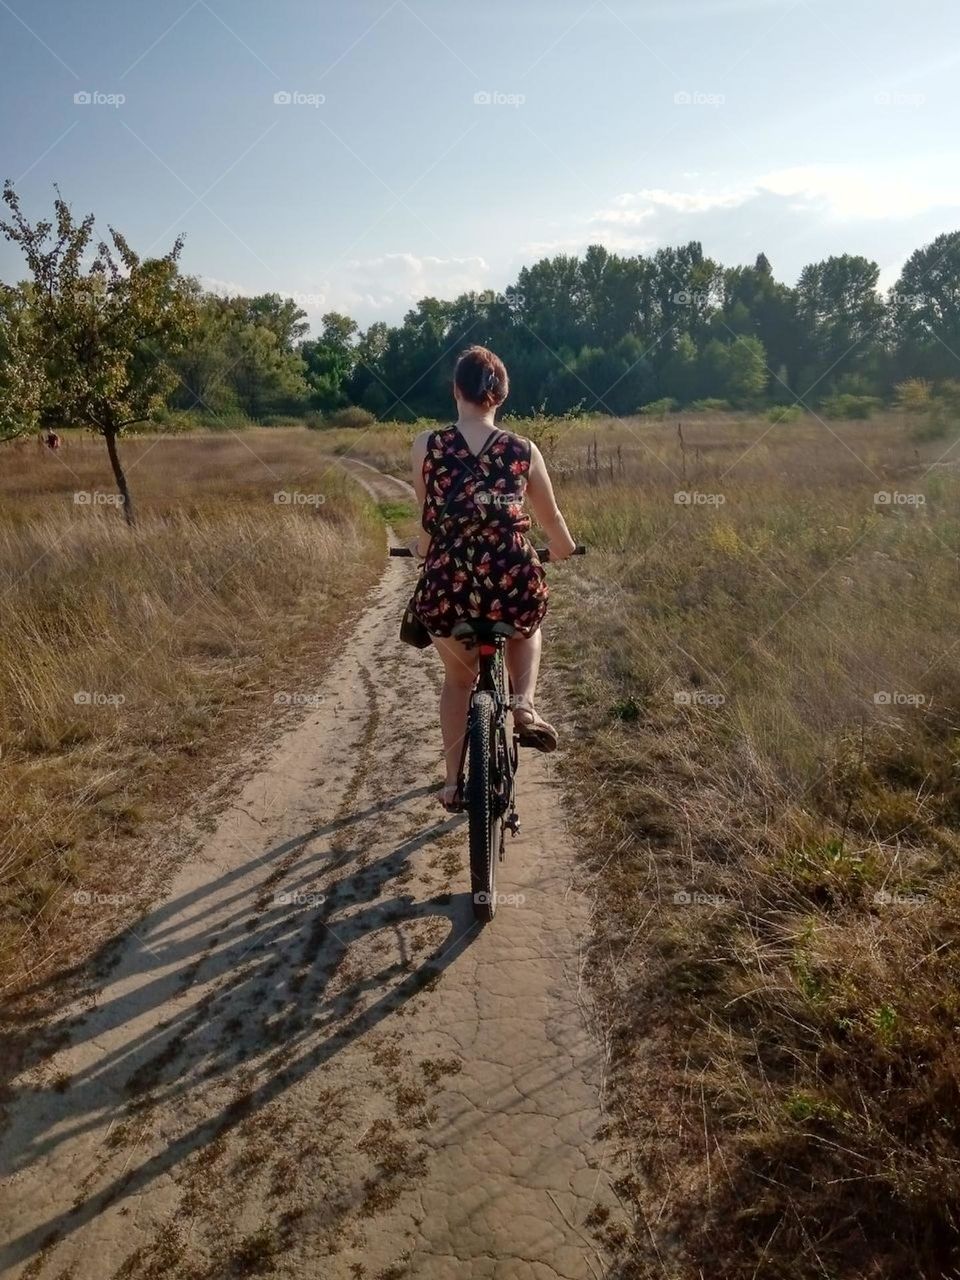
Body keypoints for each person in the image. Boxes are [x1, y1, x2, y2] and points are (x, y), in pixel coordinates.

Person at [409, 345, 577, 810]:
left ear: (455, 391)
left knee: (457, 683)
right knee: (528, 623)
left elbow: (428, 519)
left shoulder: (426, 446)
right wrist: (562, 549)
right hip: (511, 577)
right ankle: (524, 704)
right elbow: (552, 519)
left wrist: (423, 550)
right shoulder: (523, 449)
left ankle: (451, 783)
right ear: (501, 395)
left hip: (450, 585)